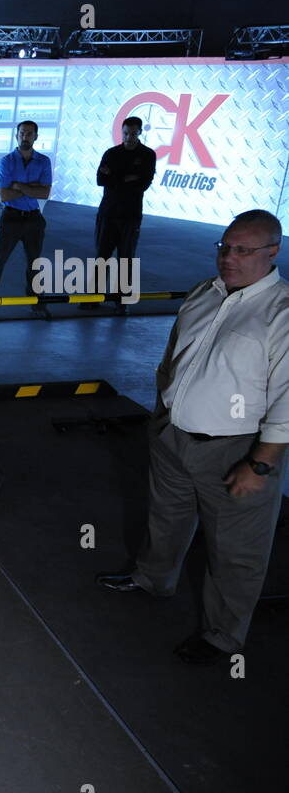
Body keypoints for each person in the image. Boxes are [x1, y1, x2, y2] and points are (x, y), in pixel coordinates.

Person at [96, 210, 288, 665]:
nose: (229, 258)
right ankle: (153, 579)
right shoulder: (206, 292)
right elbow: (174, 356)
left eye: (242, 250)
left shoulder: (280, 313)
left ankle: (223, 636)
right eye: (224, 247)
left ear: (272, 252)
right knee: (166, 518)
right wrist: (162, 414)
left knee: (236, 550)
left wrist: (259, 464)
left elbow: (287, 399)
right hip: (173, 437)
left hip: (237, 450)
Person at [0, 121, 52, 315]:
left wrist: (19, 186)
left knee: (35, 264)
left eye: (29, 133)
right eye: (21, 133)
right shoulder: (6, 161)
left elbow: (44, 193)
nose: (25, 137)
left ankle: (38, 304)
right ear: (16, 135)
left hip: (34, 219)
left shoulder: (44, 161)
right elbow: (4, 196)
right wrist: (32, 189)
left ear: (36, 136)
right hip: (10, 218)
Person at [94, 116, 156, 265]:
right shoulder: (111, 153)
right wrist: (128, 178)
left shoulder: (147, 155)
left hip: (130, 215)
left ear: (140, 132)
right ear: (122, 131)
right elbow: (100, 180)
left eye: (133, 134)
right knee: (101, 257)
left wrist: (113, 176)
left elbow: (143, 184)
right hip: (108, 212)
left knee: (126, 259)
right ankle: (96, 289)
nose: (128, 137)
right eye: (126, 133)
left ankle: (122, 290)